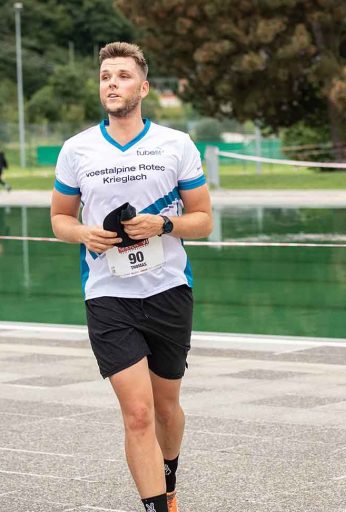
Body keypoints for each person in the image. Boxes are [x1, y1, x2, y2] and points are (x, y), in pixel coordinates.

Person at [50, 42, 212, 512]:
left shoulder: (176, 144)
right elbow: (60, 219)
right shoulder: (76, 149)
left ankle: (170, 476)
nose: (112, 84)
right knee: (137, 413)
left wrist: (162, 224)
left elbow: (202, 219)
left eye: (122, 76)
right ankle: (157, 507)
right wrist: (84, 233)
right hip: (107, 294)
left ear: (143, 87)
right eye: (105, 76)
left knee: (165, 409)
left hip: (168, 291)